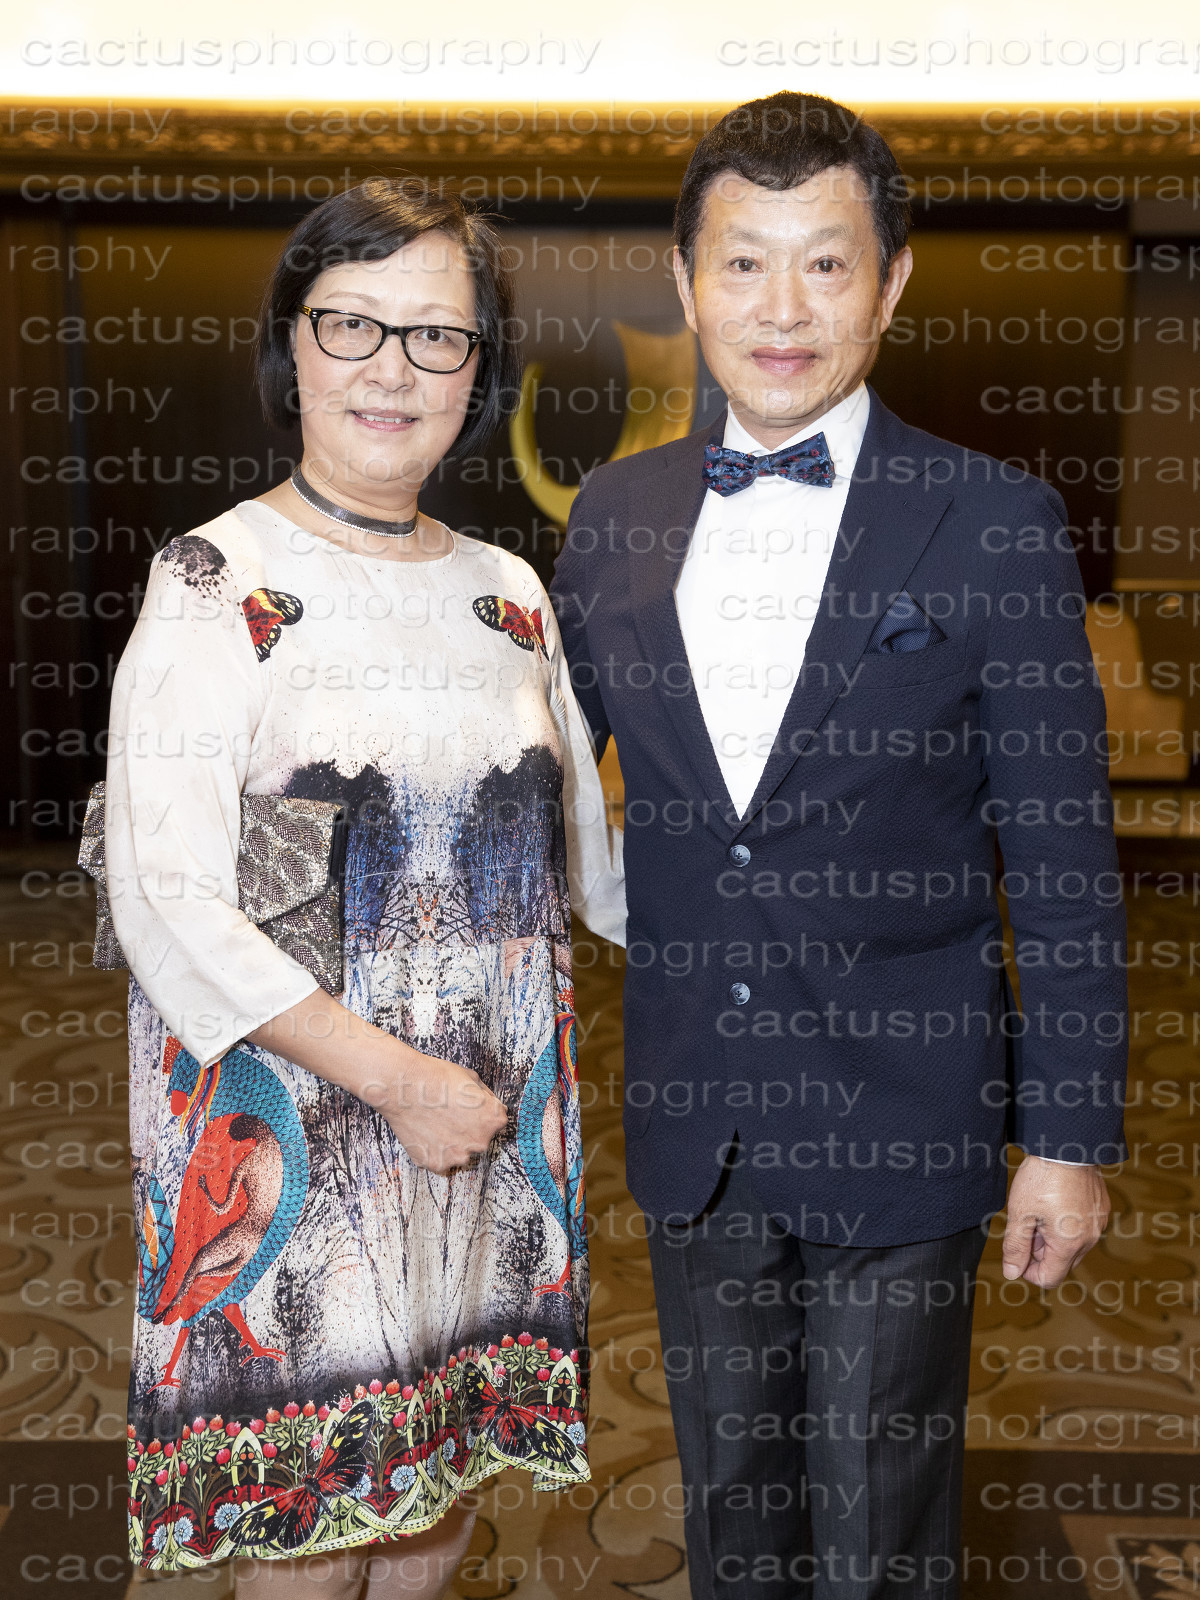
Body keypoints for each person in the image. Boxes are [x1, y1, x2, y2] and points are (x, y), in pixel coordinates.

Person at [550, 92, 1127, 1599]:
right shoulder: (616, 513)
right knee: (731, 1511)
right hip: (699, 1111)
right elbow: (530, 769)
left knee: (883, 1525)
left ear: (892, 285)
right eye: (744, 264)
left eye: (826, 263)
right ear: (685, 287)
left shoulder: (994, 520)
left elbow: (1062, 864)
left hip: (906, 1110)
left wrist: (1069, 1137)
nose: (783, 309)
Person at [105, 179, 624, 1596]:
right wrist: (403, 1085)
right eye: (353, 325)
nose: (393, 369)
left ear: (479, 371)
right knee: (314, 1524)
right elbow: (165, 898)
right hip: (298, 1139)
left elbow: (602, 869)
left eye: (437, 335)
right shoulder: (216, 579)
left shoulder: (511, 593)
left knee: (436, 1494)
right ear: (293, 344)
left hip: (486, 1125)